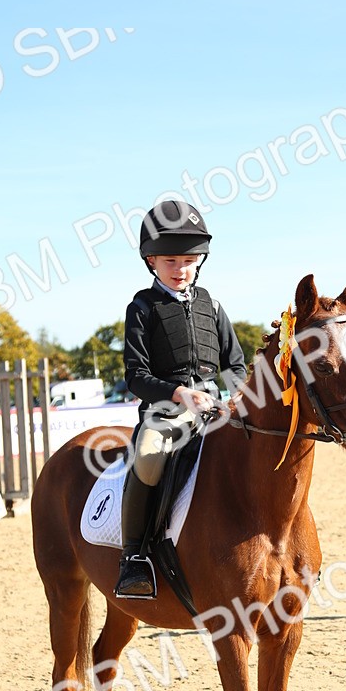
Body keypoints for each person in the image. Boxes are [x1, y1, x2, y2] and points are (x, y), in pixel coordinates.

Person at [115, 200, 247, 598]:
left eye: (188, 261)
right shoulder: (142, 308)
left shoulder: (213, 305)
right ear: (152, 261)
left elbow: (235, 364)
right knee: (150, 455)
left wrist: (235, 396)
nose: (180, 269)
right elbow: (135, 376)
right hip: (164, 412)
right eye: (170, 261)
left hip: (214, 409)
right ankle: (133, 557)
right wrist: (178, 392)